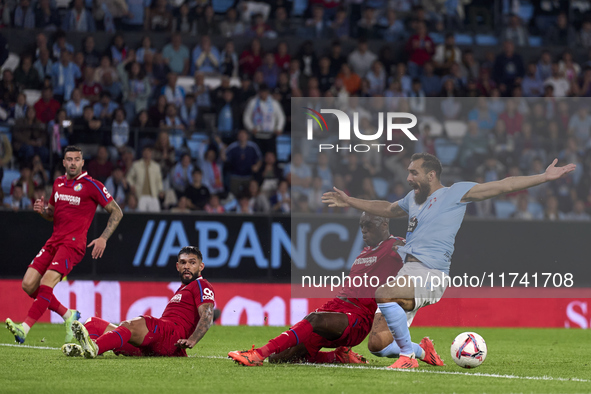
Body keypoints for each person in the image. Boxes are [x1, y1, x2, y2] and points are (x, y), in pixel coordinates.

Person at [321, 153, 575, 368]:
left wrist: (543, 177)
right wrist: (349, 201)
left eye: (414, 173)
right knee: (377, 344)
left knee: (384, 293)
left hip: (431, 272)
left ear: (431, 175)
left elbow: (504, 185)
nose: (408, 178)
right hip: (407, 272)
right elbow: (387, 209)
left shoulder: (456, 193)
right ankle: (422, 351)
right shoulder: (413, 200)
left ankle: (407, 357)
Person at [229, 213, 443, 366]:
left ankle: (257, 354)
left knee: (314, 319)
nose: (364, 230)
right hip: (336, 307)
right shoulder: (364, 253)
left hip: (357, 318)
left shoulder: (395, 245)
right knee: (280, 359)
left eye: (368, 225)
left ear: (384, 223)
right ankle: (337, 357)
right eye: (361, 226)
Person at [5, 146, 123, 344]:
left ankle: (24, 328)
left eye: (77, 159)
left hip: (73, 245)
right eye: (69, 159)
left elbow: (117, 211)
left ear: (82, 162)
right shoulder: (58, 183)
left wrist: (103, 238)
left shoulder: (91, 185)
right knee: (28, 284)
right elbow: (52, 213)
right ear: (64, 162)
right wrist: (42, 211)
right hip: (54, 240)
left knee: (45, 284)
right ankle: (68, 314)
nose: (73, 163)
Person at [62, 246, 214, 358]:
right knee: (94, 322)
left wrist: (193, 339)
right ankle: (89, 349)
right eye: (183, 262)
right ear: (177, 266)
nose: (187, 266)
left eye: (192, 263)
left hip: (171, 336)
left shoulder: (201, 285)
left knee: (135, 324)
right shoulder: (183, 289)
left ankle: (95, 347)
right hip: (157, 344)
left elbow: (207, 316)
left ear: (201, 266)